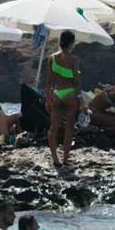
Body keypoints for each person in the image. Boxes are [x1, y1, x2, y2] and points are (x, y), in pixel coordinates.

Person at [44, 30, 81, 168]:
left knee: (53, 129)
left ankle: (55, 160)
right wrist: (81, 100)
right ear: (72, 42)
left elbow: (48, 80)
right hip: (70, 93)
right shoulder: (74, 59)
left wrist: (48, 99)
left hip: (57, 93)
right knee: (69, 129)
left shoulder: (52, 58)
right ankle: (65, 160)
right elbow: (76, 82)